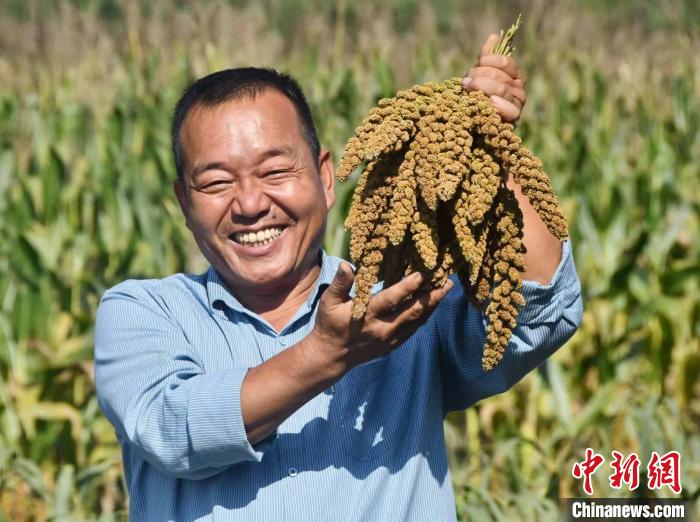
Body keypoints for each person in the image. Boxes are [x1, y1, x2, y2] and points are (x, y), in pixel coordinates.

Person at [95, 34, 582, 521]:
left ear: (326, 178)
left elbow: (539, 312)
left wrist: (490, 144)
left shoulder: (401, 300)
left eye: (275, 171)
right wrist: (327, 354)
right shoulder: (144, 312)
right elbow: (172, 429)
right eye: (218, 183)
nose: (249, 205)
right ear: (184, 203)